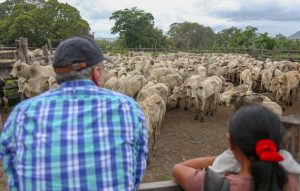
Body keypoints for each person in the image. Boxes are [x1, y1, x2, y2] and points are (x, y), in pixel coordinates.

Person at [0, 37, 148, 191]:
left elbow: (13, 176)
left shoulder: (21, 114)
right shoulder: (127, 108)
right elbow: (136, 174)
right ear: (97, 73)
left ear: (57, 73)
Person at [172, 105, 298, 191]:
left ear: (231, 142)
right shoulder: (290, 182)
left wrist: (222, 158)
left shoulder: (213, 184)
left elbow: (178, 168)